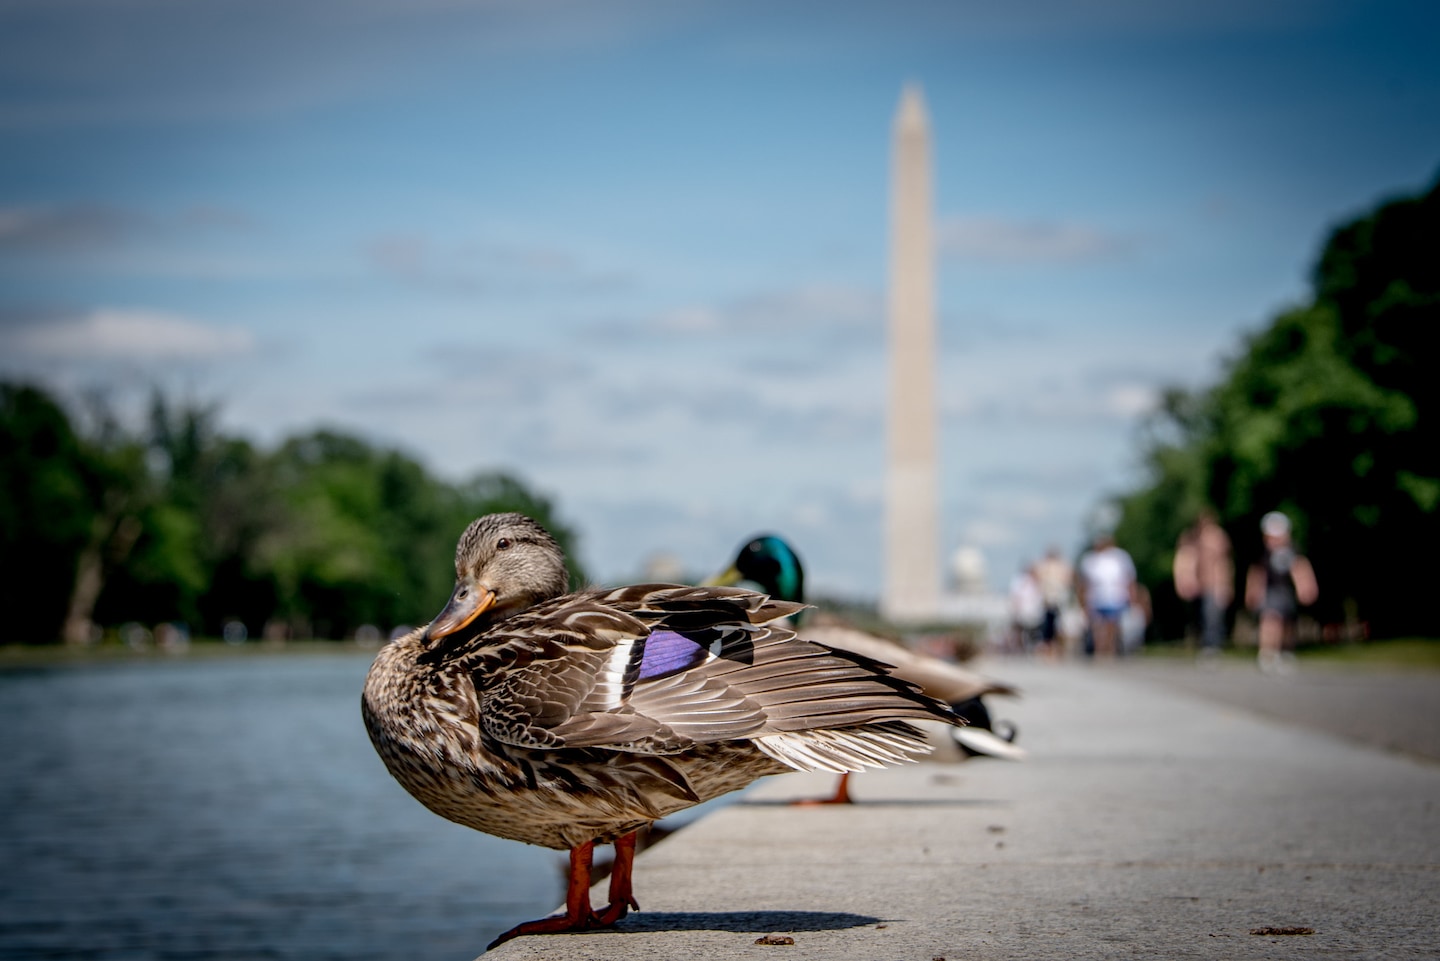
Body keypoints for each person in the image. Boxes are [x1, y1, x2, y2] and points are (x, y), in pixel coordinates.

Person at [1244, 511, 1318, 674]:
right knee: (1270, 620)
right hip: (1270, 592)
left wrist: (1306, 586)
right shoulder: (1263, 553)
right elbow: (1257, 573)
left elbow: (1300, 568)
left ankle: (1285, 652)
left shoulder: (1293, 550)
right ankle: (1267, 653)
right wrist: (1253, 591)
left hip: (1287, 591)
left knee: (1287, 624)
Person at [1172, 510, 1234, 660]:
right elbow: (1184, 559)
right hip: (1197, 586)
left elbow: (1224, 563)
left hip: (1214, 584)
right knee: (1199, 618)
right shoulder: (1191, 537)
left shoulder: (1218, 537)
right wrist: (1183, 579)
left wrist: (1226, 584)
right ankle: (1202, 644)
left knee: (1212, 616)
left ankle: (1211, 646)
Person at [1077, 533, 1137, 658]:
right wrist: (1083, 601)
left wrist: (1132, 595)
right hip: (1096, 597)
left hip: (1115, 597)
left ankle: (1110, 649)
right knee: (1097, 626)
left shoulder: (1121, 557)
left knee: (1112, 624)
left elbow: (1129, 578)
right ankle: (1100, 650)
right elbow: (1084, 583)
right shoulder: (1090, 560)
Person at [1032, 547, 1073, 660]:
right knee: (1048, 625)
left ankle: (1055, 648)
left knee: (1056, 625)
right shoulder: (1046, 566)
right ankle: (1048, 648)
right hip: (1048, 599)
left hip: (1058, 599)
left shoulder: (1061, 566)